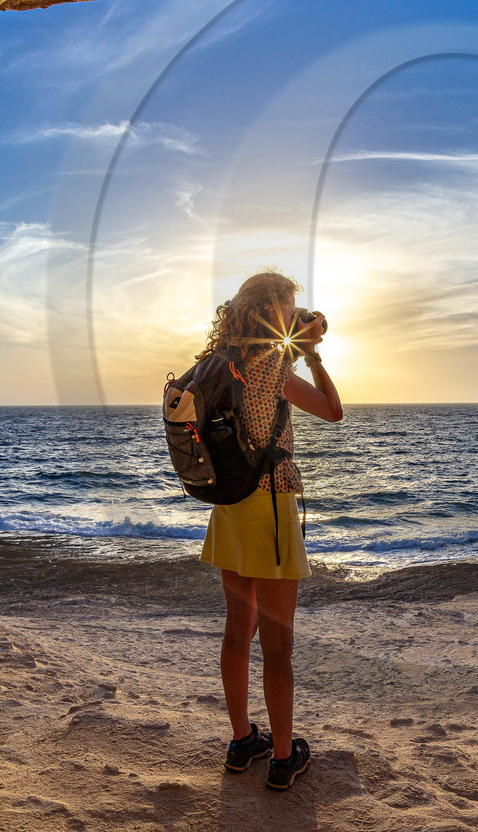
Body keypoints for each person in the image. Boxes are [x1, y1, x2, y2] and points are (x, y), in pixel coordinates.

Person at [195, 270, 343, 791]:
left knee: (238, 633)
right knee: (278, 648)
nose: (291, 312)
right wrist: (314, 353)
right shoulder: (272, 366)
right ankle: (284, 759)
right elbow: (333, 411)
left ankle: (242, 742)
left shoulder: (216, 364)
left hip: (229, 506)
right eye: (286, 304)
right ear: (272, 309)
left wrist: (299, 336)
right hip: (272, 508)